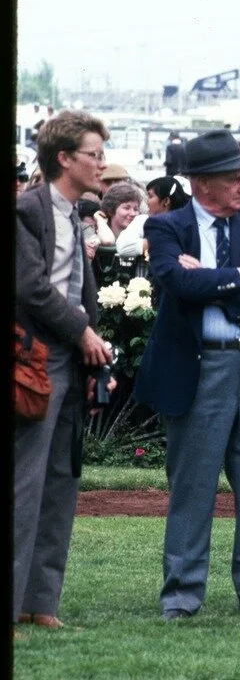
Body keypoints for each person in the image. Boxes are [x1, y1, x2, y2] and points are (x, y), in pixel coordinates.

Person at [134, 129, 240, 621]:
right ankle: (181, 595)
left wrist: (215, 285)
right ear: (204, 184)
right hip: (198, 367)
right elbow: (175, 281)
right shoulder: (167, 227)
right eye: (234, 179)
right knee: (193, 486)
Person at [14, 111, 116, 636]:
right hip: (31, 361)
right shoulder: (28, 210)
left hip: (71, 363)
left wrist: (92, 359)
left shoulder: (76, 214)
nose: (102, 163)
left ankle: (40, 603)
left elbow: (75, 291)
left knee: (60, 483)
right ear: (63, 158)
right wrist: (83, 335)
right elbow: (30, 288)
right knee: (22, 485)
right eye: (94, 154)